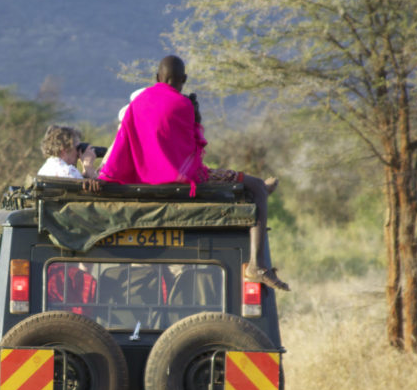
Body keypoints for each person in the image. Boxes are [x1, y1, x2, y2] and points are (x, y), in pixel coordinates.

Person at [97, 56, 289, 291]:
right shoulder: (183, 104)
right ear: (184, 79)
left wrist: (103, 179)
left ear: (157, 78)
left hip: (145, 180)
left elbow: (121, 146)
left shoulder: (138, 104)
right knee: (256, 186)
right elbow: (194, 154)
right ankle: (257, 266)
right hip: (183, 181)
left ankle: (258, 193)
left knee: (251, 185)